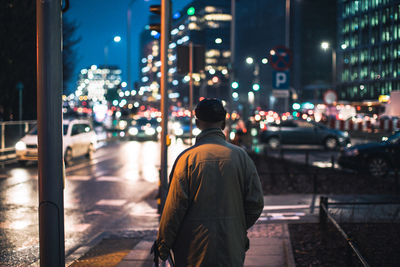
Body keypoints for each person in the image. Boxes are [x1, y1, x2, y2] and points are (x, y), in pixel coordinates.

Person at [156, 98, 264, 266]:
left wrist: (163, 246)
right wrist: (236, 226)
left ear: (197, 122)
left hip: (192, 249)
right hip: (231, 247)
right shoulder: (241, 157)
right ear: (224, 122)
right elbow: (255, 203)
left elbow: (174, 209)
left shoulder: (187, 159)